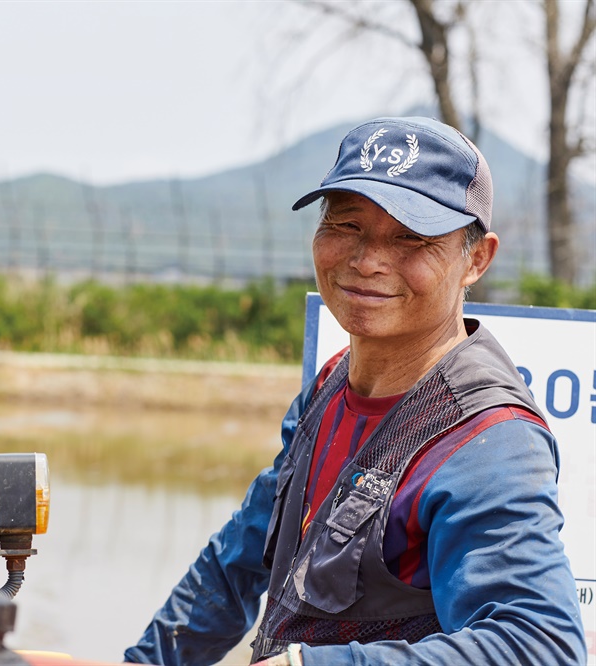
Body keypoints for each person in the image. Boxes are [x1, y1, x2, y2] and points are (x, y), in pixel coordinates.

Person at [122, 116, 587, 666]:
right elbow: (239, 560)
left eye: (411, 238)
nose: (366, 261)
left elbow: (540, 647)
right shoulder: (334, 382)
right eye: (345, 226)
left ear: (476, 259)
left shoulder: (486, 441)